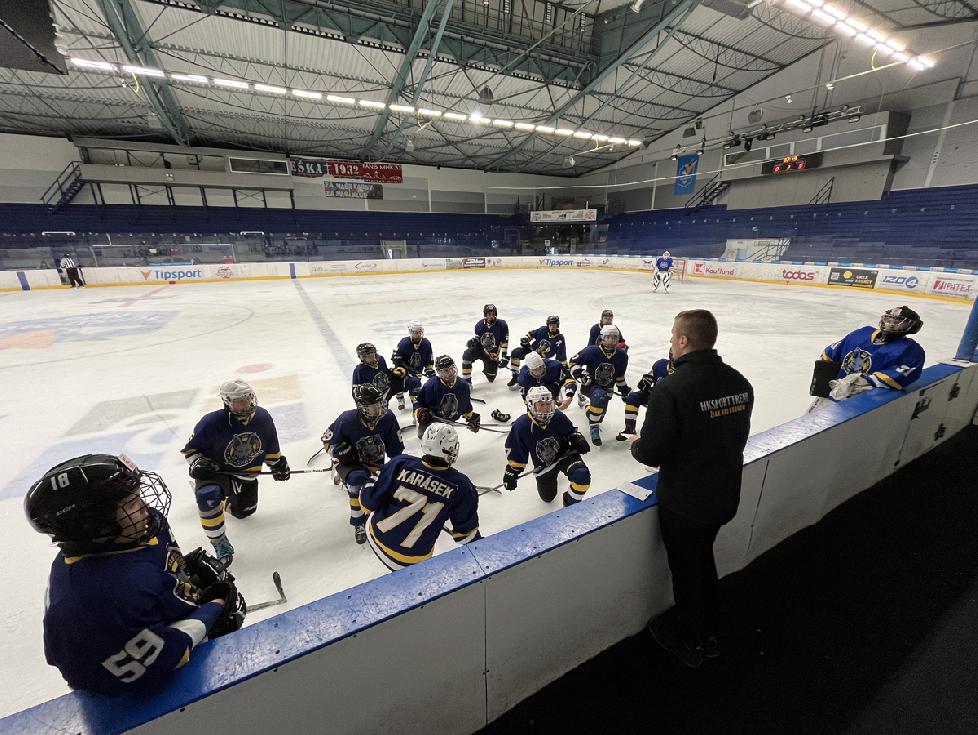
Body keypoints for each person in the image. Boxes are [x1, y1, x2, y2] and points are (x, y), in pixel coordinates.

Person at [25, 454, 245, 695]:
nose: (144, 507)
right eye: (130, 503)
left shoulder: (136, 530)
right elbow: (150, 668)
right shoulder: (93, 601)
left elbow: (150, 573)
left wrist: (183, 576)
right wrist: (214, 609)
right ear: (94, 524)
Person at [628, 309, 753, 668]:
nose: (670, 342)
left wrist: (638, 442)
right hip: (725, 493)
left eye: (672, 336)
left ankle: (693, 640)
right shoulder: (739, 381)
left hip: (685, 503)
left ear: (684, 341)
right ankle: (710, 630)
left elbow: (652, 453)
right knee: (703, 560)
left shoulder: (672, 388)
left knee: (686, 570)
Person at [180, 379, 291, 565]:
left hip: (246, 475)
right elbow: (191, 451)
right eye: (240, 401)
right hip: (218, 474)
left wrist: (278, 464)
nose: (246, 403)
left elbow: (269, 447)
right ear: (227, 402)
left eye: (247, 398)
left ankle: (224, 503)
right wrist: (197, 463)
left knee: (245, 512)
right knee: (208, 494)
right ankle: (220, 542)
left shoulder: (263, 418)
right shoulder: (211, 423)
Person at [360, 424, 481, 570]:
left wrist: (372, 480)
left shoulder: (400, 462)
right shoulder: (462, 486)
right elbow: (465, 535)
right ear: (452, 450)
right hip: (412, 560)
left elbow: (368, 503)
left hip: (376, 536)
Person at [323, 384, 405, 544]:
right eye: (371, 406)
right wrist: (337, 452)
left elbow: (396, 451)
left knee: (398, 478)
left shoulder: (388, 418)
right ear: (360, 407)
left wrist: (397, 471)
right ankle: (359, 522)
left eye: (378, 403)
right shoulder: (346, 420)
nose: (377, 409)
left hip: (376, 463)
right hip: (351, 463)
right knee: (358, 479)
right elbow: (327, 441)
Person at [809, 306, 925, 409]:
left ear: (911, 326)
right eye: (889, 320)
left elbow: (902, 375)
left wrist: (864, 381)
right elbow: (828, 355)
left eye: (898, 322)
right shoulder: (861, 334)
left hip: (860, 403)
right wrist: (822, 389)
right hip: (833, 393)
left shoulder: (911, 350)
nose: (891, 324)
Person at [504, 387, 592, 506]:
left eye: (548, 404)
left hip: (565, 455)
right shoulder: (522, 426)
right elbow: (516, 451)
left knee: (582, 475)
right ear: (531, 405)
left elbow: (570, 431)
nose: (546, 408)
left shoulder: (558, 417)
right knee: (548, 497)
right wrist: (512, 471)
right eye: (541, 405)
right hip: (544, 466)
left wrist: (576, 437)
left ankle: (570, 506)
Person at [568, 325, 630, 446]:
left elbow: (619, 377)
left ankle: (585, 404)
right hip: (590, 386)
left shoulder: (622, 356)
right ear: (602, 338)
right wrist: (580, 374)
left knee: (598, 415)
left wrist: (624, 390)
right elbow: (573, 362)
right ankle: (594, 430)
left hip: (608, 388)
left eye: (614, 337)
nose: (611, 340)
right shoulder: (592, 351)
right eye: (608, 337)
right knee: (598, 397)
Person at [414, 355, 480, 438]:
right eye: (446, 371)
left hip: (449, 423)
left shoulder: (463, 386)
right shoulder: (431, 385)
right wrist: (420, 412)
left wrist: (471, 417)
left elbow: (465, 405)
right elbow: (419, 402)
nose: (450, 373)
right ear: (439, 373)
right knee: (424, 437)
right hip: (432, 420)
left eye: (452, 368)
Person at [352, 342, 419, 411]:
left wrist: (394, 371)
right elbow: (356, 391)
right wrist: (364, 405)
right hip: (377, 397)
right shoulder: (359, 371)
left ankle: (417, 406)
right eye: (368, 356)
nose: (372, 357)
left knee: (413, 381)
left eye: (373, 353)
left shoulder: (380, 360)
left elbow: (385, 372)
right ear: (362, 357)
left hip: (389, 387)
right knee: (382, 416)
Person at [620, 353, 673, 439]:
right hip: (655, 396)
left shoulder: (686, 371)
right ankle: (629, 429)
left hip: (671, 402)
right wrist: (645, 383)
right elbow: (646, 381)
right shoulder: (660, 365)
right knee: (633, 397)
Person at [507, 315, 568, 387]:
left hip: (542, 360)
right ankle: (515, 376)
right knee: (515, 352)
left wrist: (566, 374)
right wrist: (526, 339)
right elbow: (531, 335)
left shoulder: (559, 339)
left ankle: (536, 381)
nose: (551, 327)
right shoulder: (543, 330)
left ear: (557, 325)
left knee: (537, 372)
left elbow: (562, 357)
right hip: (532, 351)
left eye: (554, 325)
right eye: (550, 325)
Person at [462, 304, 510, 385]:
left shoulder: (502, 325)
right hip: (480, 349)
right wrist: (473, 341)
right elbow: (478, 339)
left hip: (492, 354)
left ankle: (488, 368)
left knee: (491, 377)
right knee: (467, 355)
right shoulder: (479, 325)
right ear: (485, 314)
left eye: (493, 314)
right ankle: (467, 383)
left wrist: (504, 357)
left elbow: (504, 342)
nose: (491, 316)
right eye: (489, 314)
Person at [391, 320, 435, 409]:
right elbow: (397, 358)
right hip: (403, 370)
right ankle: (400, 398)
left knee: (416, 385)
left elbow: (429, 359)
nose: (417, 334)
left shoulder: (426, 344)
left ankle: (416, 405)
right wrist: (397, 360)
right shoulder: (404, 343)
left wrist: (429, 369)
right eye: (415, 332)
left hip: (417, 371)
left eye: (419, 332)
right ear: (411, 332)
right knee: (397, 381)